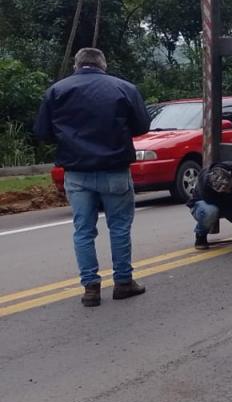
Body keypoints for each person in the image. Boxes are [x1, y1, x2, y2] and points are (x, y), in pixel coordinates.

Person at [34, 48, 151, 307]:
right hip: (115, 168)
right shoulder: (124, 88)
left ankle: (90, 289)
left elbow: (42, 131)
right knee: (119, 228)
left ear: (77, 65)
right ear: (103, 64)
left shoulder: (57, 91)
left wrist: (69, 140)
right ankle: (123, 282)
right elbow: (142, 126)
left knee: (83, 231)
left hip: (76, 171)